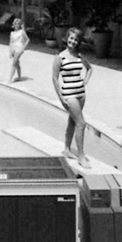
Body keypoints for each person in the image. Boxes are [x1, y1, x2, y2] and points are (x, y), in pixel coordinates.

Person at [52, 27, 92, 168]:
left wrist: (85, 81)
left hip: (80, 94)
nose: (73, 41)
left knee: (72, 122)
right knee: (81, 123)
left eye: (75, 39)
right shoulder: (60, 57)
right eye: (71, 38)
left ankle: (67, 149)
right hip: (69, 95)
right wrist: (61, 97)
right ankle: (81, 156)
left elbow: (90, 68)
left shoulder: (79, 56)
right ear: (66, 38)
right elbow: (55, 79)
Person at [7, 17, 29, 83]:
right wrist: (10, 51)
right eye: (15, 24)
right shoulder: (12, 33)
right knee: (17, 63)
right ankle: (19, 77)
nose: (16, 25)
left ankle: (10, 79)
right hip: (14, 47)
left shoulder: (22, 32)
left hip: (19, 47)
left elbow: (27, 39)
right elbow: (10, 42)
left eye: (18, 24)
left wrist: (23, 47)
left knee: (14, 63)